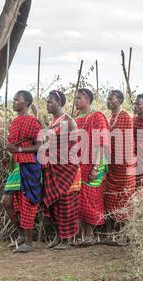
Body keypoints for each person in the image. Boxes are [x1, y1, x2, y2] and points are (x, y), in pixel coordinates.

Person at [2, 90, 43, 253]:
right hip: (15, 167)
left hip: (28, 166)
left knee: (27, 204)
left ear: (26, 103)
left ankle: (29, 242)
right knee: (6, 202)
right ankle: (20, 234)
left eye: (16, 99)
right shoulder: (14, 121)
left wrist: (18, 149)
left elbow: (40, 146)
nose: (14, 101)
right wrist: (9, 155)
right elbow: (12, 145)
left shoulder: (33, 122)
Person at [41, 90, 81, 250]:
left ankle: (67, 239)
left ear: (59, 102)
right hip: (53, 168)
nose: (47, 105)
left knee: (66, 204)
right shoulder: (54, 121)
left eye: (50, 102)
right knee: (51, 204)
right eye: (47, 102)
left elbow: (74, 146)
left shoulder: (69, 121)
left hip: (67, 169)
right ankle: (58, 235)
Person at [75, 88, 110, 245]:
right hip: (80, 163)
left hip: (94, 163)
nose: (76, 101)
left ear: (88, 99)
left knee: (89, 198)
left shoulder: (97, 117)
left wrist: (96, 167)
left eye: (79, 98)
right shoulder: (77, 118)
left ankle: (90, 235)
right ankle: (83, 235)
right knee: (79, 199)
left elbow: (101, 143)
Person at [103, 90, 136, 240]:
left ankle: (124, 234)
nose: (108, 101)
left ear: (119, 100)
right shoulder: (108, 117)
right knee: (108, 197)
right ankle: (110, 234)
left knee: (124, 198)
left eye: (111, 99)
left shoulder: (127, 117)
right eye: (108, 98)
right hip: (110, 164)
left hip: (124, 166)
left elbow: (132, 141)